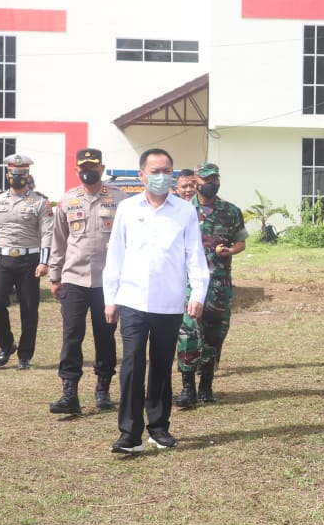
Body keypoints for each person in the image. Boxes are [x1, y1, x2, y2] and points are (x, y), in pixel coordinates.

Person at [104, 148, 209, 454]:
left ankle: (159, 428)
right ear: (142, 175)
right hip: (133, 299)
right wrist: (110, 298)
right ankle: (129, 434)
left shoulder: (185, 211)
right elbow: (116, 256)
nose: (162, 177)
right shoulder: (126, 208)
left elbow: (195, 258)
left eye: (167, 171)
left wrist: (198, 294)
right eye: (155, 171)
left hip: (170, 302)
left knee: (162, 366)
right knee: (133, 364)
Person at [46, 148, 128, 415]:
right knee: (72, 336)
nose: (88, 170)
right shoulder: (67, 200)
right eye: (83, 166)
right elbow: (58, 241)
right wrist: (55, 276)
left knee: (105, 336)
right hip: (74, 279)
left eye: (93, 166)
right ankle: (69, 391)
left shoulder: (120, 200)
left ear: (102, 169)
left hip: (108, 282)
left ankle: (103, 388)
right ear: (76, 170)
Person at [175, 162, 247, 407]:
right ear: (196, 182)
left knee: (215, 335)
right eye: (205, 179)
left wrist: (229, 250)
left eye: (214, 179)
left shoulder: (231, 211)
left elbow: (241, 242)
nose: (210, 184)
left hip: (219, 284)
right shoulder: (181, 210)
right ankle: (187, 387)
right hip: (188, 285)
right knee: (187, 333)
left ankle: (206, 384)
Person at [0, 154, 54, 370]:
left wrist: (44, 262)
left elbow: (47, 233)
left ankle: (25, 354)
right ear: (7, 175)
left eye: (22, 174)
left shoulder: (40, 202)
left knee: (29, 308)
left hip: (29, 260)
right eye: (14, 174)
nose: (18, 177)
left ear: (27, 175)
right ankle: (6, 345)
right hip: (1, 259)